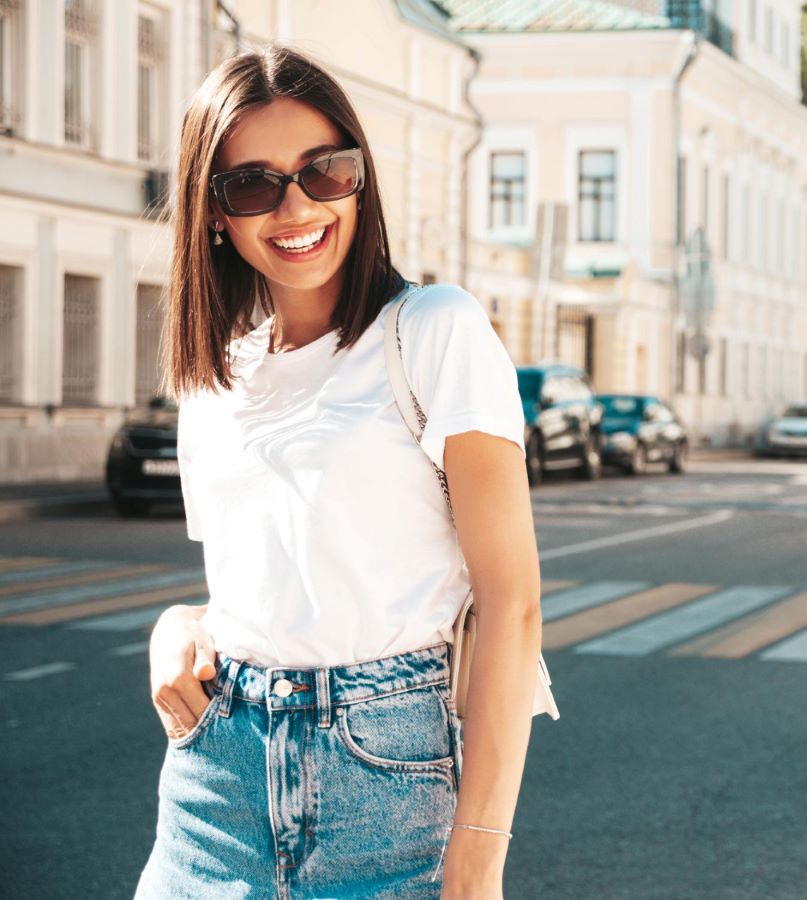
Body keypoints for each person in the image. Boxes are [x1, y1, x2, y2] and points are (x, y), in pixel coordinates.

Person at [135, 45, 544, 900]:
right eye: (253, 185)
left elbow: (513, 603)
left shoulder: (434, 331)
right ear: (214, 213)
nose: (296, 207)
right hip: (214, 789)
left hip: (390, 786)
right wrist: (181, 621)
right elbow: (282, 582)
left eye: (325, 171)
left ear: (358, 179)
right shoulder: (217, 380)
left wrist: (477, 861)